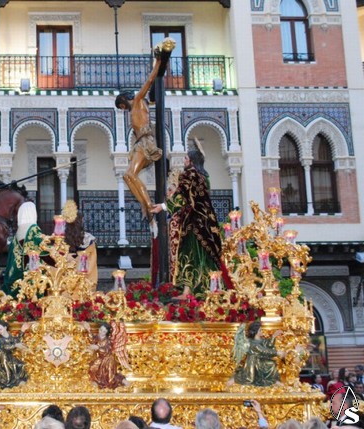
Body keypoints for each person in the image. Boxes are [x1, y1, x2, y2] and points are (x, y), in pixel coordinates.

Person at [150, 140, 225, 298]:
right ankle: (212, 289)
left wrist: (162, 207)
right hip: (208, 222)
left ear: (191, 160)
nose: (184, 161)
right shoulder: (205, 177)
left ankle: (187, 292)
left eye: (185, 158)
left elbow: (181, 196)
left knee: (189, 254)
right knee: (206, 255)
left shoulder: (189, 175)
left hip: (193, 223)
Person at [115, 38, 174, 221]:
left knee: (129, 174)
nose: (123, 109)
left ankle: (148, 206)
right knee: (127, 176)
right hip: (141, 143)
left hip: (145, 142)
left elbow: (149, 81)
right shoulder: (137, 106)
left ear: (124, 101)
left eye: (121, 106)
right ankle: (145, 205)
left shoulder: (138, 101)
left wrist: (158, 62)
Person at [2, 201, 46, 295]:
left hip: (15, 276)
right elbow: (43, 248)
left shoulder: (19, 232)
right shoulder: (33, 229)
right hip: (31, 277)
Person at [231, 321, 285, 387]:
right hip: (254, 362)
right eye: (260, 330)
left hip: (261, 360)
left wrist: (274, 336)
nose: (262, 331)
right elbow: (263, 351)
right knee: (271, 364)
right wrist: (277, 352)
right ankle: (272, 381)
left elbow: (269, 345)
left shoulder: (261, 340)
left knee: (272, 363)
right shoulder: (252, 343)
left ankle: (273, 381)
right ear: (256, 332)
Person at [0, 320, 29, 389]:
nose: (0, 331)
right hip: (3, 358)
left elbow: (17, 340)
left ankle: (16, 381)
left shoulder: (10, 336)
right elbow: (5, 347)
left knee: (20, 365)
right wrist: (15, 345)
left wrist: (22, 330)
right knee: (6, 373)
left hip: (10, 357)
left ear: (5, 327)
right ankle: (0, 382)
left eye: (0, 329)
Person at [62, 200, 98, 287]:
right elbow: (92, 262)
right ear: (80, 222)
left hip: (66, 281)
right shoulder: (88, 239)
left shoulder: (61, 239)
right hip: (84, 280)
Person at [85, 322, 130, 389]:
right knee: (92, 368)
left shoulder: (108, 340)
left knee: (110, 377)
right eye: (100, 330)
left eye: (104, 331)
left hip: (108, 360)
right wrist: (88, 329)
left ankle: (123, 381)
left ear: (106, 332)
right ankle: (95, 381)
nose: (101, 332)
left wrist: (98, 347)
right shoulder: (97, 337)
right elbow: (92, 339)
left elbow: (107, 350)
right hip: (101, 358)